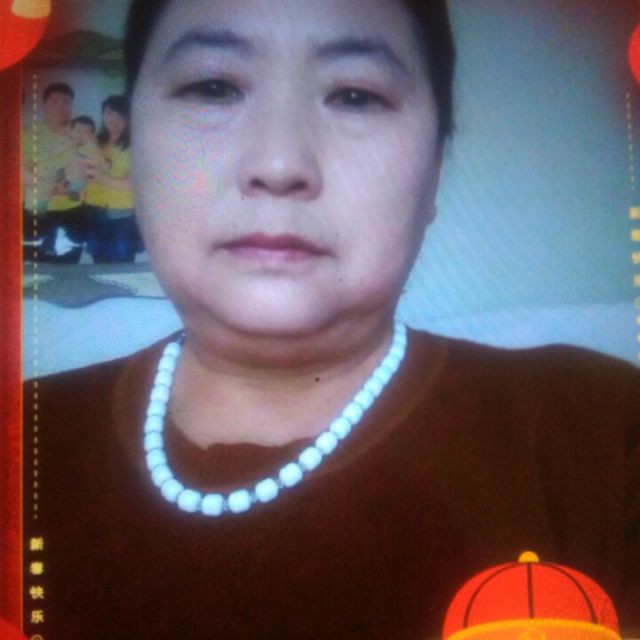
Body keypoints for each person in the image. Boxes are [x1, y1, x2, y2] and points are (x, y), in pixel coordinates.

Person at [22, 1, 640, 639]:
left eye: (355, 96)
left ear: (434, 169)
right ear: (135, 148)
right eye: (213, 86)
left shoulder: (599, 436)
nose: (279, 164)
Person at [22, 82, 84, 263]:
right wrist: (55, 188)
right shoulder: (30, 134)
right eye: (55, 101)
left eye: (66, 102)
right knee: (36, 266)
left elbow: (89, 171)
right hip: (37, 209)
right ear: (44, 104)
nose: (60, 106)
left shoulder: (82, 134)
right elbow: (22, 172)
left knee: (69, 265)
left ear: (72, 106)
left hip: (72, 210)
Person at [84, 95, 141, 262]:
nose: (113, 118)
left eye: (119, 113)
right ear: (102, 115)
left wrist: (101, 177)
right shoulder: (95, 142)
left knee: (121, 265)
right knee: (97, 263)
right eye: (109, 113)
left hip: (122, 217)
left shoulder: (137, 144)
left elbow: (133, 184)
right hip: (93, 212)